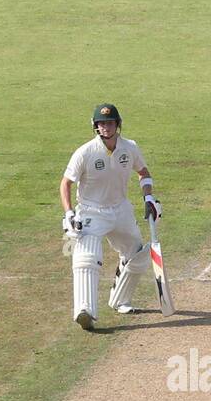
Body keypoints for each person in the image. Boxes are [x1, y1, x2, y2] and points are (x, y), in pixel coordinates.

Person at [59, 103, 163, 330]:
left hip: (121, 210)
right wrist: (68, 213)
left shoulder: (130, 148)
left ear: (117, 124)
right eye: (101, 123)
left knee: (137, 255)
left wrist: (149, 198)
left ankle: (121, 300)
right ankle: (84, 311)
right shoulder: (85, 152)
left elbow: (143, 173)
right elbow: (66, 183)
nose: (106, 127)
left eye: (110, 123)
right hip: (91, 212)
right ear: (96, 126)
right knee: (86, 258)